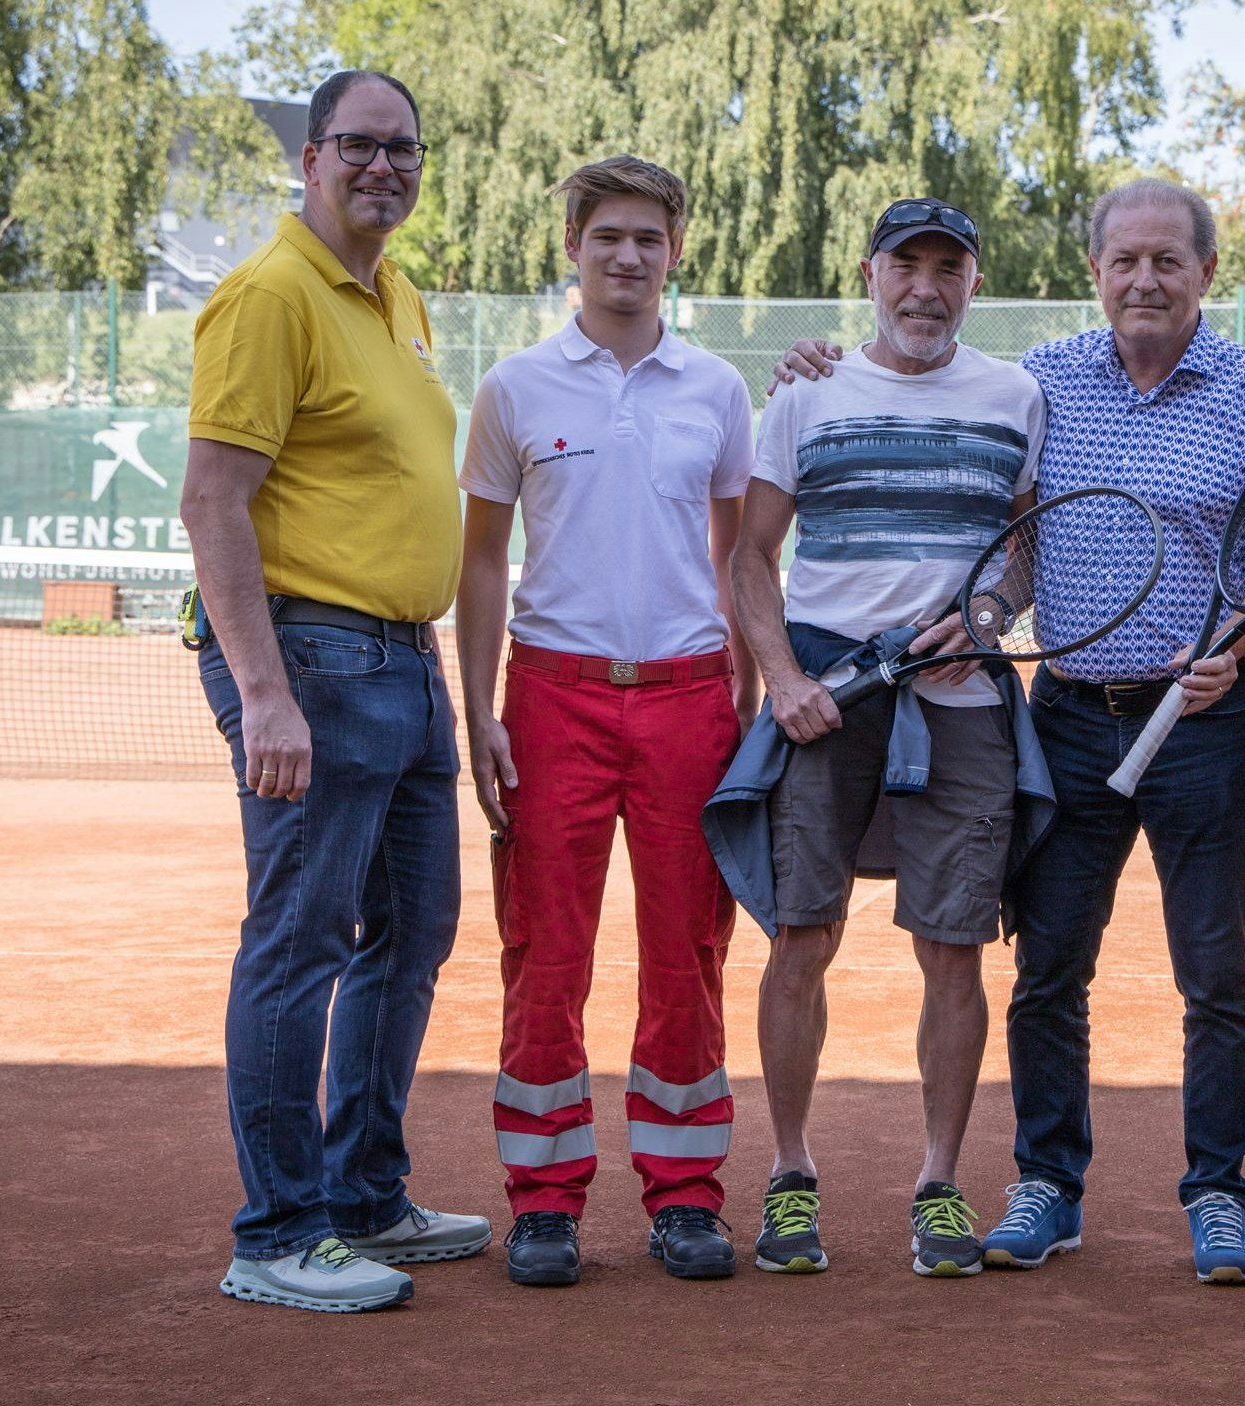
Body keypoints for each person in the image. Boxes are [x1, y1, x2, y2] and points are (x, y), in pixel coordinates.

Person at [782, 179, 1245, 1283]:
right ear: (1096, 271)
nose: (1145, 280)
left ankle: (1218, 1194)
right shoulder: (1046, 384)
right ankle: (1048, 1184)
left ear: (1206, 272)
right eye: (1125, 260)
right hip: (1069, 717)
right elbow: (1020, 540)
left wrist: (1238, 643)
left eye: (1167, 260)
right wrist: (987, 611)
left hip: (1205, 725)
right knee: (1047, 966)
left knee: (1214, 970)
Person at [180, 69, 489, 1313]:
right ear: (310, 159)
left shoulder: (395, 294)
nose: (384, 167)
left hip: (405, 660)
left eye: (404, 148)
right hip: (312, 660)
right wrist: (264, 692)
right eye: (359, 145)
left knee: (412, 932)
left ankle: (364, 1195)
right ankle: (277, 1230)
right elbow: (213, 499)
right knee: (300, 939)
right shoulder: (270, 295)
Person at [455, 156, 759, 1287]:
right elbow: (481, 562)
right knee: (544, 953)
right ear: (573, 248)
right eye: (606, 237)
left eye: (647, 238)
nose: (627, 256)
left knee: (690, 951)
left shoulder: (718, 390)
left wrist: (743, 685)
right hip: (550, 700)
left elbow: (737, 557)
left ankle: (685, 1197)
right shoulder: (515, 387)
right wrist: (478, 708)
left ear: (676, 251)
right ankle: (544, 1201)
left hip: (689, 700)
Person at [728, 198, 1046, 1279]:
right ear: (870, 274)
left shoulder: (1015, 396)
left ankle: (940, 1183)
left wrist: (990, 615)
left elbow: (1024, 549)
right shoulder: (806, 391)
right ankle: (788, 1173)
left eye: (948, 268)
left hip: (964, 711)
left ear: (973, 283)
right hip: (828, 702)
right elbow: (751, 557)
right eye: (906, 265)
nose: (925, 288)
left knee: (953, 947)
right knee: (800, 937)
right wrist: (784, 680)